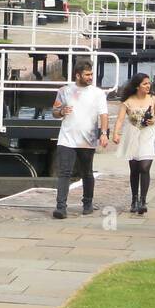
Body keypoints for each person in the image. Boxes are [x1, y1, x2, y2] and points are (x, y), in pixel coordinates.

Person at [51, 60, 109, 219]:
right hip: (66, 139)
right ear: (78, 75)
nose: (90, 77)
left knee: (87, 173)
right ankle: (61, 207)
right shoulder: (65, 91)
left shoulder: (98, 93)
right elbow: (54, 112)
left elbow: (103, 114)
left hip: (87, 139)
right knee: (64, 172)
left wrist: (104, 133)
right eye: (87, 74)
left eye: (91, 74)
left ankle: (87, 203)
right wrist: (62, 111)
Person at [112, 74, 155, 214]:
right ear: (137, 86)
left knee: (144, 167)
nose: (148, 86)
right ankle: (134, 199)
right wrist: (116, 133)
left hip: (148, 135)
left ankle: (143, 200)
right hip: (132, 135)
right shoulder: (128, 101)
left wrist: (154, 121)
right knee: (134, 169)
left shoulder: (153, 99)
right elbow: (120, 120)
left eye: (149, 83)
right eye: (145, 84)